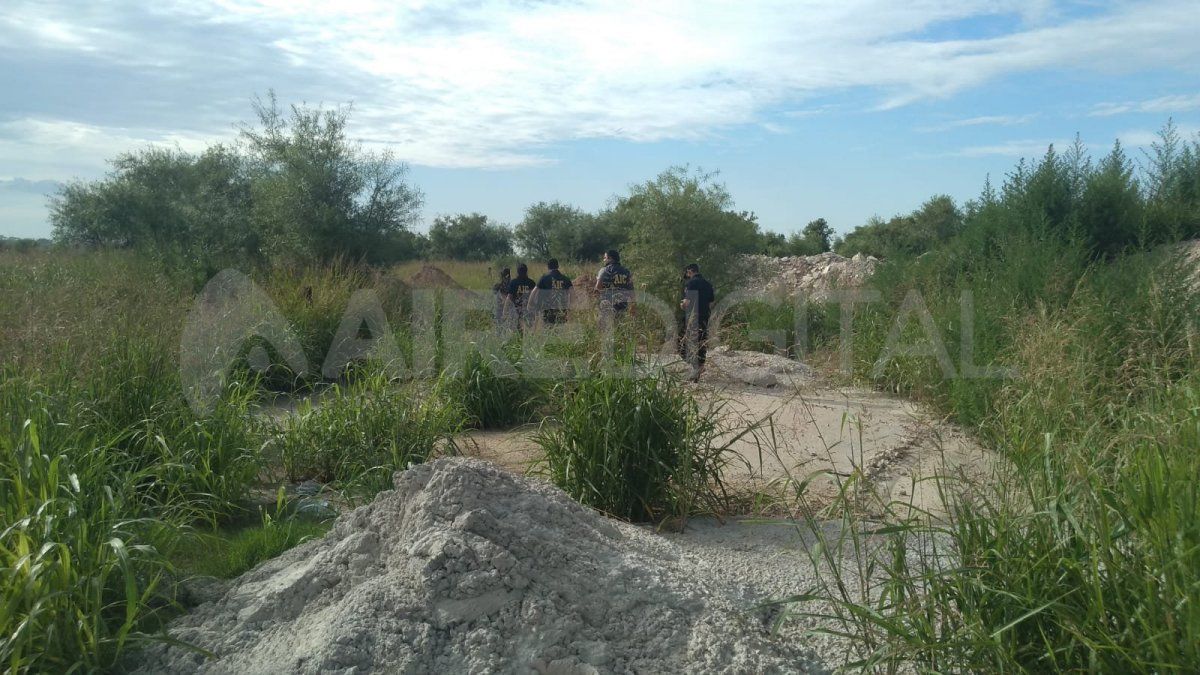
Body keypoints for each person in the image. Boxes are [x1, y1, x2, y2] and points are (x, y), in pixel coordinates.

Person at [680, 263, 715, 382]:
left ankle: (694, 369)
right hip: (705, 316)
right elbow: (711, 303)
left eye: (687, 273)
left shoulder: (691, 283)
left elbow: (687, 303)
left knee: (685, 341)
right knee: (702, 341)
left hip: (693, 317)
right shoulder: (708, 284)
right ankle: (700, 367)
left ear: (690, 271)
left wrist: (682, 305)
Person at [530, 258, 573, 326]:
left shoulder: (544, 278)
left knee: (548, 329)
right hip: (562, 309)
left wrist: (530, 303)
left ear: (548, 267)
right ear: (558, 266)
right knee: (560, 328)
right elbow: (572, 292)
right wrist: (570, 306)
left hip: (548, 310)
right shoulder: (566, 279)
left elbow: (534, 291)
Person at [594, 249, 634, 321]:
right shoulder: (626, 271)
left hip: (607, 304)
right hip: (622, 305)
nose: (604, 260)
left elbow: (598, 287)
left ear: (610, 258)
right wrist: (633, 307)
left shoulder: (604, 270)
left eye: (605, 258)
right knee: (619, 326)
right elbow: (631, 291)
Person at [507, 263, 537, 331]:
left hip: (516, 311)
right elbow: (535, 298)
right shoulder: (531, 283)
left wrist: (505, 311)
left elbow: (509, 297)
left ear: (517, 272)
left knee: (517, 332)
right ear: (526, 271)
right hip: (528, 311)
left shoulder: (513, 282)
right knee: (528, 331)